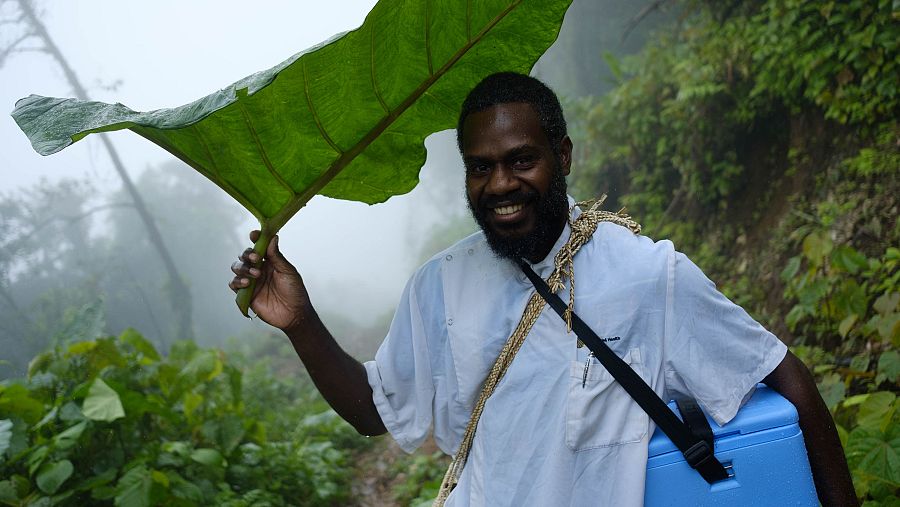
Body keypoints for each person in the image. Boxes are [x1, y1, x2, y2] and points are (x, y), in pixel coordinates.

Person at [230, 72, 857, 506]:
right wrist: (300, 322)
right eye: (481, 167)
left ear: (564, 156)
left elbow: (785, 377)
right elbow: (375, 410)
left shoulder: (646, 276)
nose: (500, 184)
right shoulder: (439, 285)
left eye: (521, 160)